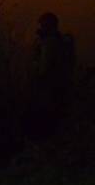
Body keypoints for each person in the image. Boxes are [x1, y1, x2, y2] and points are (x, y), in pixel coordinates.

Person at [29, 12, 74, 140]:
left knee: (49, 117)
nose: (40, 27)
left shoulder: (49, 43)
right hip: (60, 86)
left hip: (50, 87)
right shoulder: (60, 41)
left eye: (42, 24)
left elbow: (44, 68)